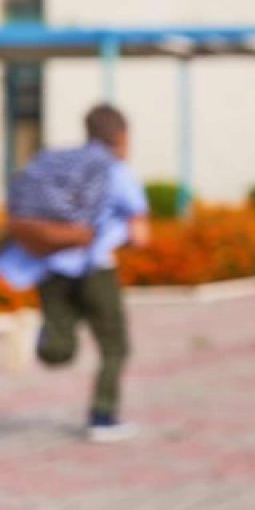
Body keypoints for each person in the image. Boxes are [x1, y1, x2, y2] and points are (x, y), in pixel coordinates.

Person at [0, 103, 150, 442]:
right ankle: (102, 416)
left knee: (59, 349)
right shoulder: (116, 170)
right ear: (123, 136)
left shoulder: (55, 160)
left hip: (50, 264)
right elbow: (140, 235)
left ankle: (49, 339)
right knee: (114, 346)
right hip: (94, 266)